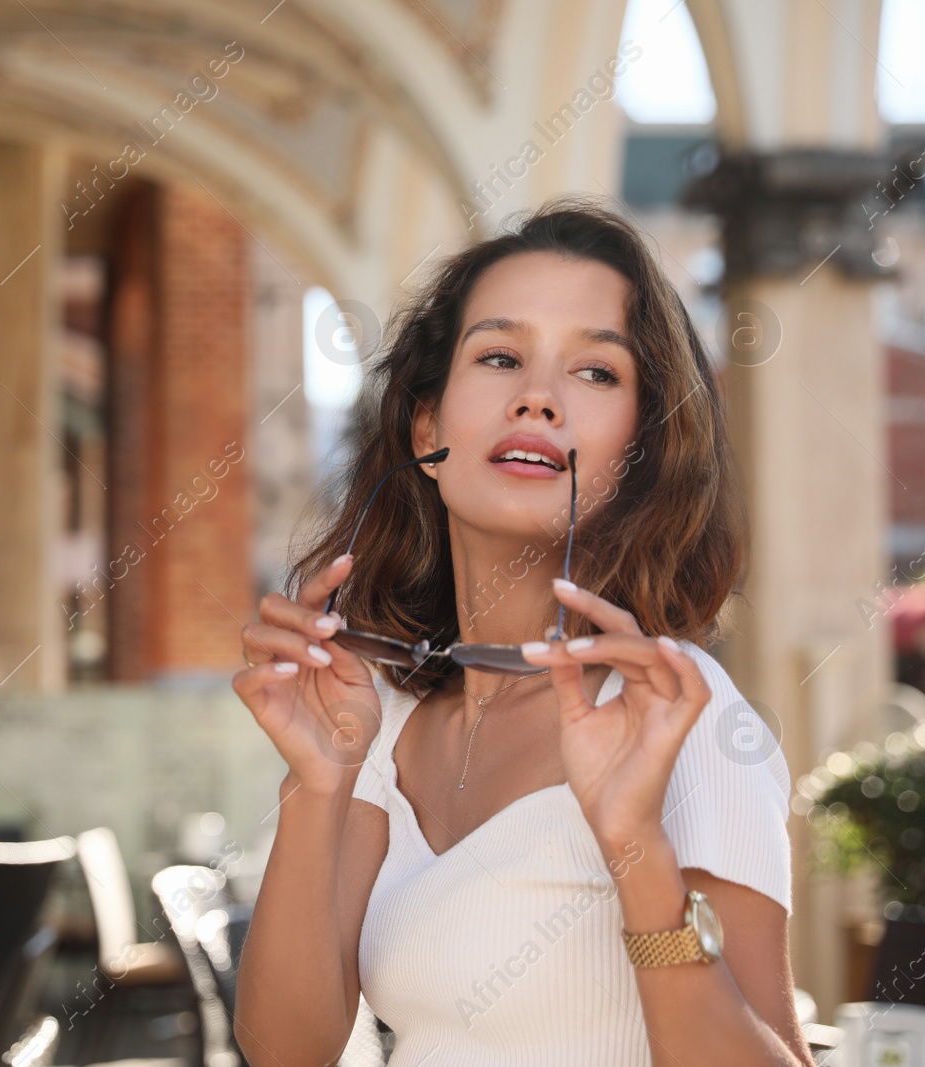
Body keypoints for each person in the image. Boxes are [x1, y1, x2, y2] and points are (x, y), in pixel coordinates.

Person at [231, 200, 816, 1066]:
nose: (538, 397)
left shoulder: (673, 712)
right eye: (500, 356)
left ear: (640, 450)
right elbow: (289, 1049)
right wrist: (316, 784)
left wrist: (634, 848)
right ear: (427, 427)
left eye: (596, 373)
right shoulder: (382, 715)